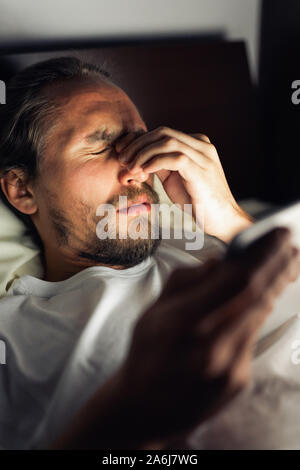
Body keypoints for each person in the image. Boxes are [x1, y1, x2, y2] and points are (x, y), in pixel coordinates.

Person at [0, 57, 299, 450]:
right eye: (101, 146)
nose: (137, 171)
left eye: (140, 142)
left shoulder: (219, 246)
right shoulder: (14, 337)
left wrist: (230, 218)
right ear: (22, 190)